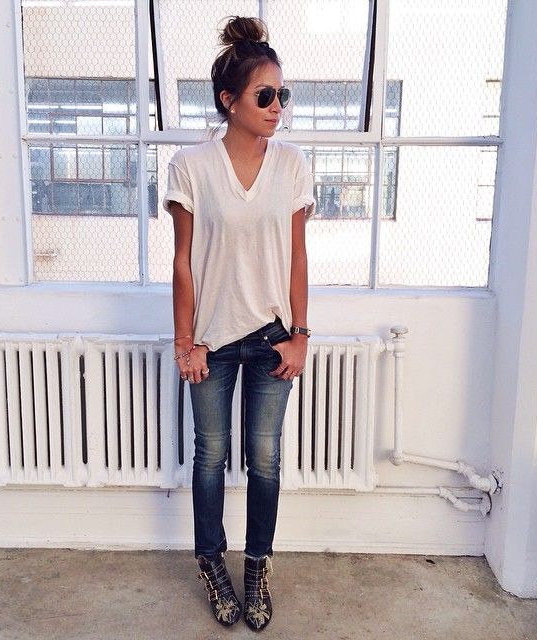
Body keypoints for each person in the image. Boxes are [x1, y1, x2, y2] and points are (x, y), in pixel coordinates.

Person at [162, 15, 315, 632]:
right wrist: (185, 342)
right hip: (212, 342)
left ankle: (256, 566)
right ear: (229, 100)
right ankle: (210, 562)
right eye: (265, 95)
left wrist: (302, 335)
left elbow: (298, 256)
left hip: (275, 339)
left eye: (283, 94)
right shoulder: (190, 166)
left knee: (265, 458)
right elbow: (183, 261)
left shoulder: (293, 165)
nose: (278, 107)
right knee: (211, 456)